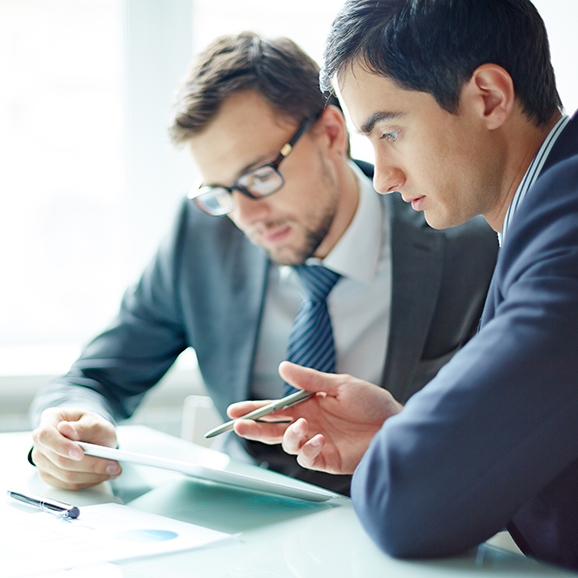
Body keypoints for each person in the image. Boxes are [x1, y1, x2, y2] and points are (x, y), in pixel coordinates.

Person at [29, 32, 497, 496]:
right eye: (222, 192)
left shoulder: (465, 246)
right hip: (245, 531)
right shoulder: (202, 236)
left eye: (259, 177)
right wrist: (70, 425)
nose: (246, 217)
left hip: (397, 529)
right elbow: (95, 377)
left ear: (331, 134)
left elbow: (503, 439)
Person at [228, 0, 578, 571]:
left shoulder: (567, 233)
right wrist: (402, 431)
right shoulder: (544, 209)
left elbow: (406, 505)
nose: (384, 179)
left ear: (488, 97)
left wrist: (410, 451)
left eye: (390, 131)